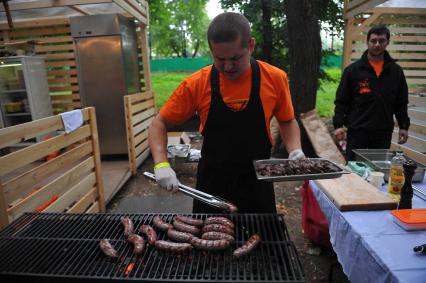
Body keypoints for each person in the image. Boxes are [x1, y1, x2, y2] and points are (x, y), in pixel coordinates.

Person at [148, 12, 304, 213]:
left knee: (262, 239)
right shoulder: (196, 84)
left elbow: (287, 120)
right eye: (219, 59)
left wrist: (295, 149)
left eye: (235, 58)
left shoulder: (275, 78)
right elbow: (158, 124)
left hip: (257, 182)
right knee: (207, 240)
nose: (228, 66)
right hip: (212, 183)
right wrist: (161, 165)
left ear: (251, 46)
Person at [333, 24, 410, 161]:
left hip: (383, 131)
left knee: (377, 172)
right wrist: (338, 125)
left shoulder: (396, 72)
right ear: (367, 42)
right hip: (358, 130)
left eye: (381, 41)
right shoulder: (353, 71)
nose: (377, 44)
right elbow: (342, 100)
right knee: (355, 169)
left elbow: (401, 102)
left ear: (387, 42)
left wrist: (404, 126)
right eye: (373, 41)